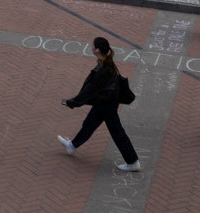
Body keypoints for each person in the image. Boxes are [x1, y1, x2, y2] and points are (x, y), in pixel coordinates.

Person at [58, 37, 141, 172]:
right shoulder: (107, 62)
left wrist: (71, 102)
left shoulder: (101, 69)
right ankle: (72, 146)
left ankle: (132, 161)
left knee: (117, 132)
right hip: (106, 101)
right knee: (89, 124)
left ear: (97, 49)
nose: (91, 47)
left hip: (106, 104)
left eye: (93, 45)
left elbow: (88, 91)